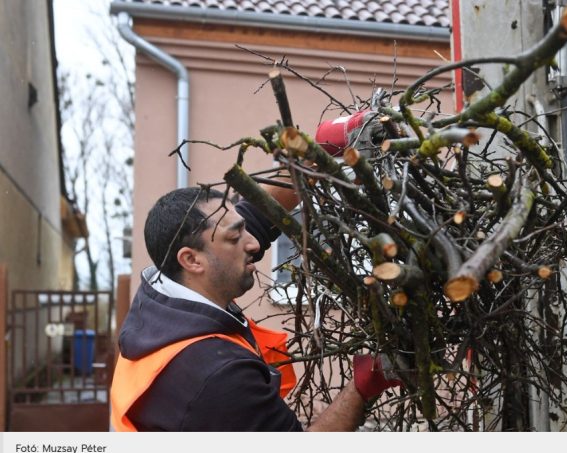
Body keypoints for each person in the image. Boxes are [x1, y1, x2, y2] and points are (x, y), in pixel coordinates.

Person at [111, 144, 398, 431]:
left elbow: (260, 213)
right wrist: (361, 387)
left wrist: (314, 158)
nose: (254, 243)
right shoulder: (216, 375)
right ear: (191, 260)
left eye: (244, 229)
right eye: (236, 237)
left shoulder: (160, 307)